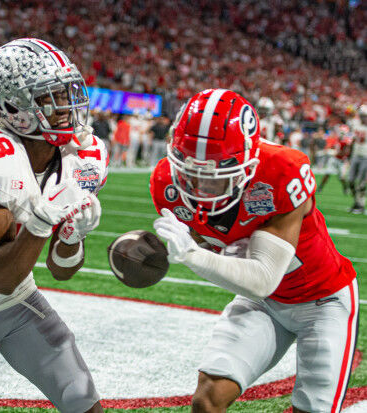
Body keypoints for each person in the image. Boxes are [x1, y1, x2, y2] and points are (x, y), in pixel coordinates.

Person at [150, 89, 357, 412]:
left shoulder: (282, 172)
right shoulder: (167, 183)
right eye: (191, 170)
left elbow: (262, 278)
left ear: (247, 161)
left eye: (214, 174)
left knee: (313, 409)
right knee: (207, 400)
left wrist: (192, 254)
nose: (200, 188)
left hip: (322, 299)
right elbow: (224, 258)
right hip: (263, 304)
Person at [0, 38, 107, 413]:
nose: (65, 105)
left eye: (66, 90)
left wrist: (73, 238)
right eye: (49, 96)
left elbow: (61, 271)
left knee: (84, 403)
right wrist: (43, 220)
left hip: (19, 305)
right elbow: (0, 275)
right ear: (13, 106)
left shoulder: (80, 156)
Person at [347, 104, 367, 214]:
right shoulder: (356, 125)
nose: (364, 118)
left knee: (361, 183)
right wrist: (349, 155)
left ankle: (361, 204)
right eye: (362, 116)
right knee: (350, 181)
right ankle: (356, 202)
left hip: (365, 157)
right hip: (355, 155)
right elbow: (353, 141)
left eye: (365, 116)